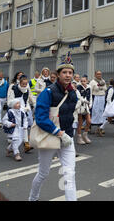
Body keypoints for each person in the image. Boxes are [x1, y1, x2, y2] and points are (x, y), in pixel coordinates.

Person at [29, 54, 78, 201]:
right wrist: (58, 132)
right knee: (43, 174)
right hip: (50, 136)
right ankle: (33, 197)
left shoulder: (73, 93)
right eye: (64, 72)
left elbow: (70, 115)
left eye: (70, 72)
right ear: (58, 74)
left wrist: (68, 133)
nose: (68, 75)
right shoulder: (48, 92)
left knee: (69, 174)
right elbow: (41, 118)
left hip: (67, 138)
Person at [8, 75, 36, 154]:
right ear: (19, 83)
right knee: (18, 131)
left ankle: (26, 145)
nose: (25, 85)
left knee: (25, 127)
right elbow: (10, 101)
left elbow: (29, 98)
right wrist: (18, 107)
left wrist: (33, 104)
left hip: (24, 111)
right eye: (23, 84)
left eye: (26, 84)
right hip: (16, 111)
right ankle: (11, 148)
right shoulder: (14, 89)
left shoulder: (27, 89)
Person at [90, 71, 107, 136]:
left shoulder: (103, 81)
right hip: (96, 97)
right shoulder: (93, 82)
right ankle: (89, 126)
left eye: (100, 74)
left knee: (101, 112)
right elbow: (91, 90)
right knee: (95, 112)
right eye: (98, 74)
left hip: (102, 97)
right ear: (95, 74)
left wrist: (100, 88)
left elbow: (105, 88)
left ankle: (99, 128)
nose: (99, 75)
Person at [76, 76, 92, 144]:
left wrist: (90, 104)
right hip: (80, 106)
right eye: (81, 81)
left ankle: (85, 135)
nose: (83, 82)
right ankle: (79, 138)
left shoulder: (89, 87)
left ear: (87, 81)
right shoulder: (78, 87)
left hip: (87, 106)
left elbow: (90, 96)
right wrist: (84, 101)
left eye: (84, 81)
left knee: (89, 121)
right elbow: (78, 97)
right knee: (80, 122)